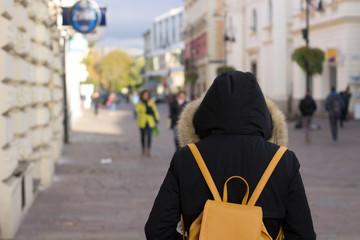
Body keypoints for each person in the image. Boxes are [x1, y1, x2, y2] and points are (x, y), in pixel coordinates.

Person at [145, 71, 316, 239]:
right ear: (262, 112)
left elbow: (156, 230)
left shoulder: (187, 158)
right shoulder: (283, 161)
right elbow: (304, 234)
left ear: (207, 110)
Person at [136, 90, 159, 157]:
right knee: (142, 136)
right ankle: (143, 148)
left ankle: (149, 149)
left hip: (150, 122)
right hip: (142, 122)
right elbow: (137, 109)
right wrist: (142, 105)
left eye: (147, 95)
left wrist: (157, 118)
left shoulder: (151, 102)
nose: (145, 96)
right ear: (142, 96)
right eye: (144, 95)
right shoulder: (140, 102)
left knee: (149, 136)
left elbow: (154, 110)